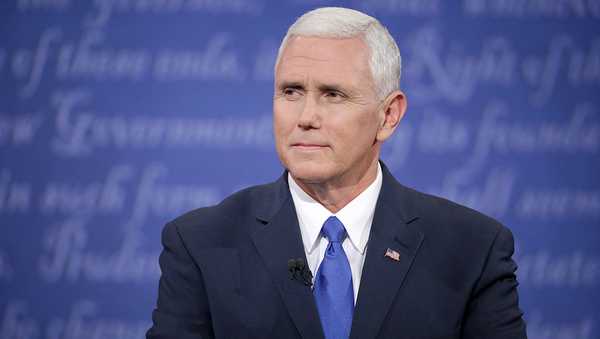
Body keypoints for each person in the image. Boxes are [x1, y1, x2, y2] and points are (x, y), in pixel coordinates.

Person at [147, 7, 527, 339]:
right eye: (291, 91)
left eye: (333, 95)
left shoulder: (472, 250)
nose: (306, 117)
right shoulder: (200, 244)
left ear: (388, 115)